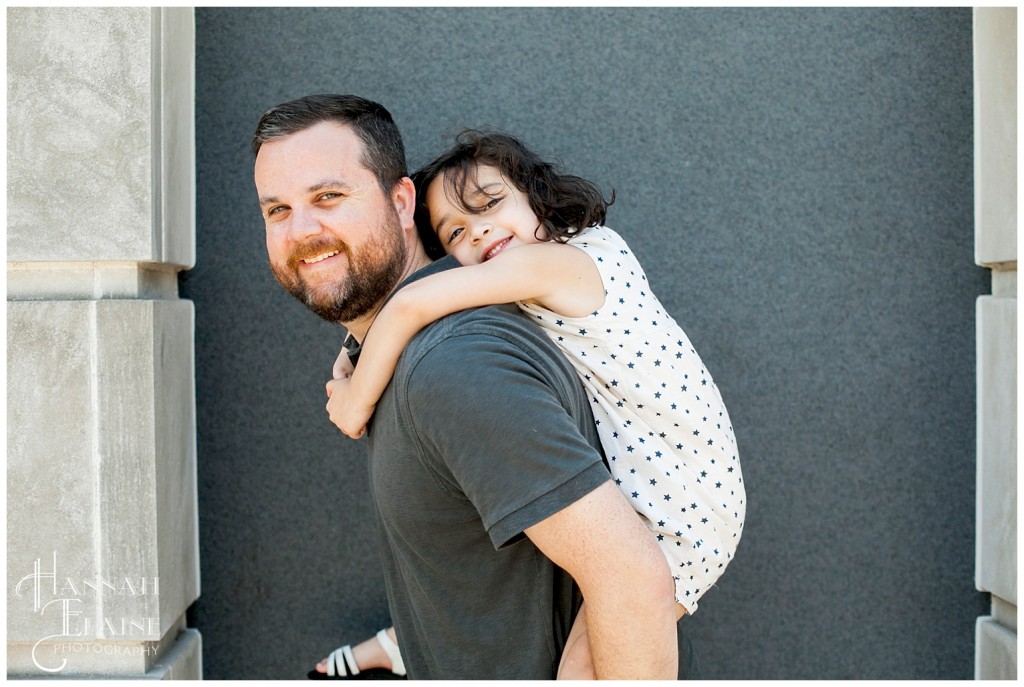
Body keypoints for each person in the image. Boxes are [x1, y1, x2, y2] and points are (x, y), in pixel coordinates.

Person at [252, 95, 695, 680]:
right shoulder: (414, 352)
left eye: (328, 196)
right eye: (277, 210)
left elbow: (631, 579)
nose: (302, 229)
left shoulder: (452, 365)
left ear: (400, 201)